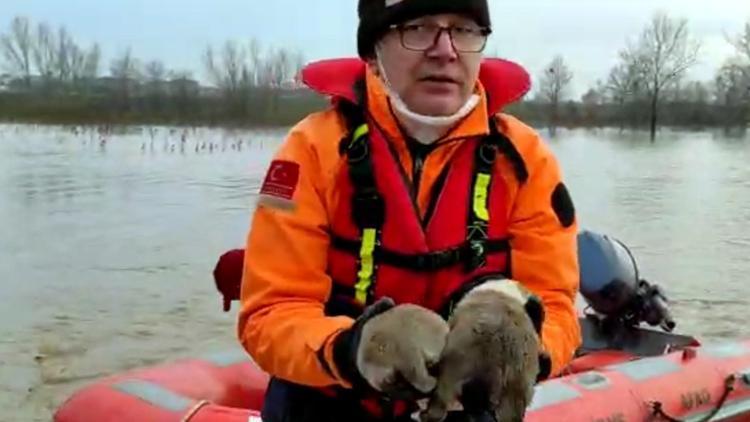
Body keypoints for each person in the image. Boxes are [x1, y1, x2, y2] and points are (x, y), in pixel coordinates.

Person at [237, 0, 581, 420]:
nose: (445, 49)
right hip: (329, 403)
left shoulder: (526, 159)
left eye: (464, 29)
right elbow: (270, 314)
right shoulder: (310, 152)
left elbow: (557, 306)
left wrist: (524, 340)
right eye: (416, 28)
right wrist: (359, 346)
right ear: (372, 52)